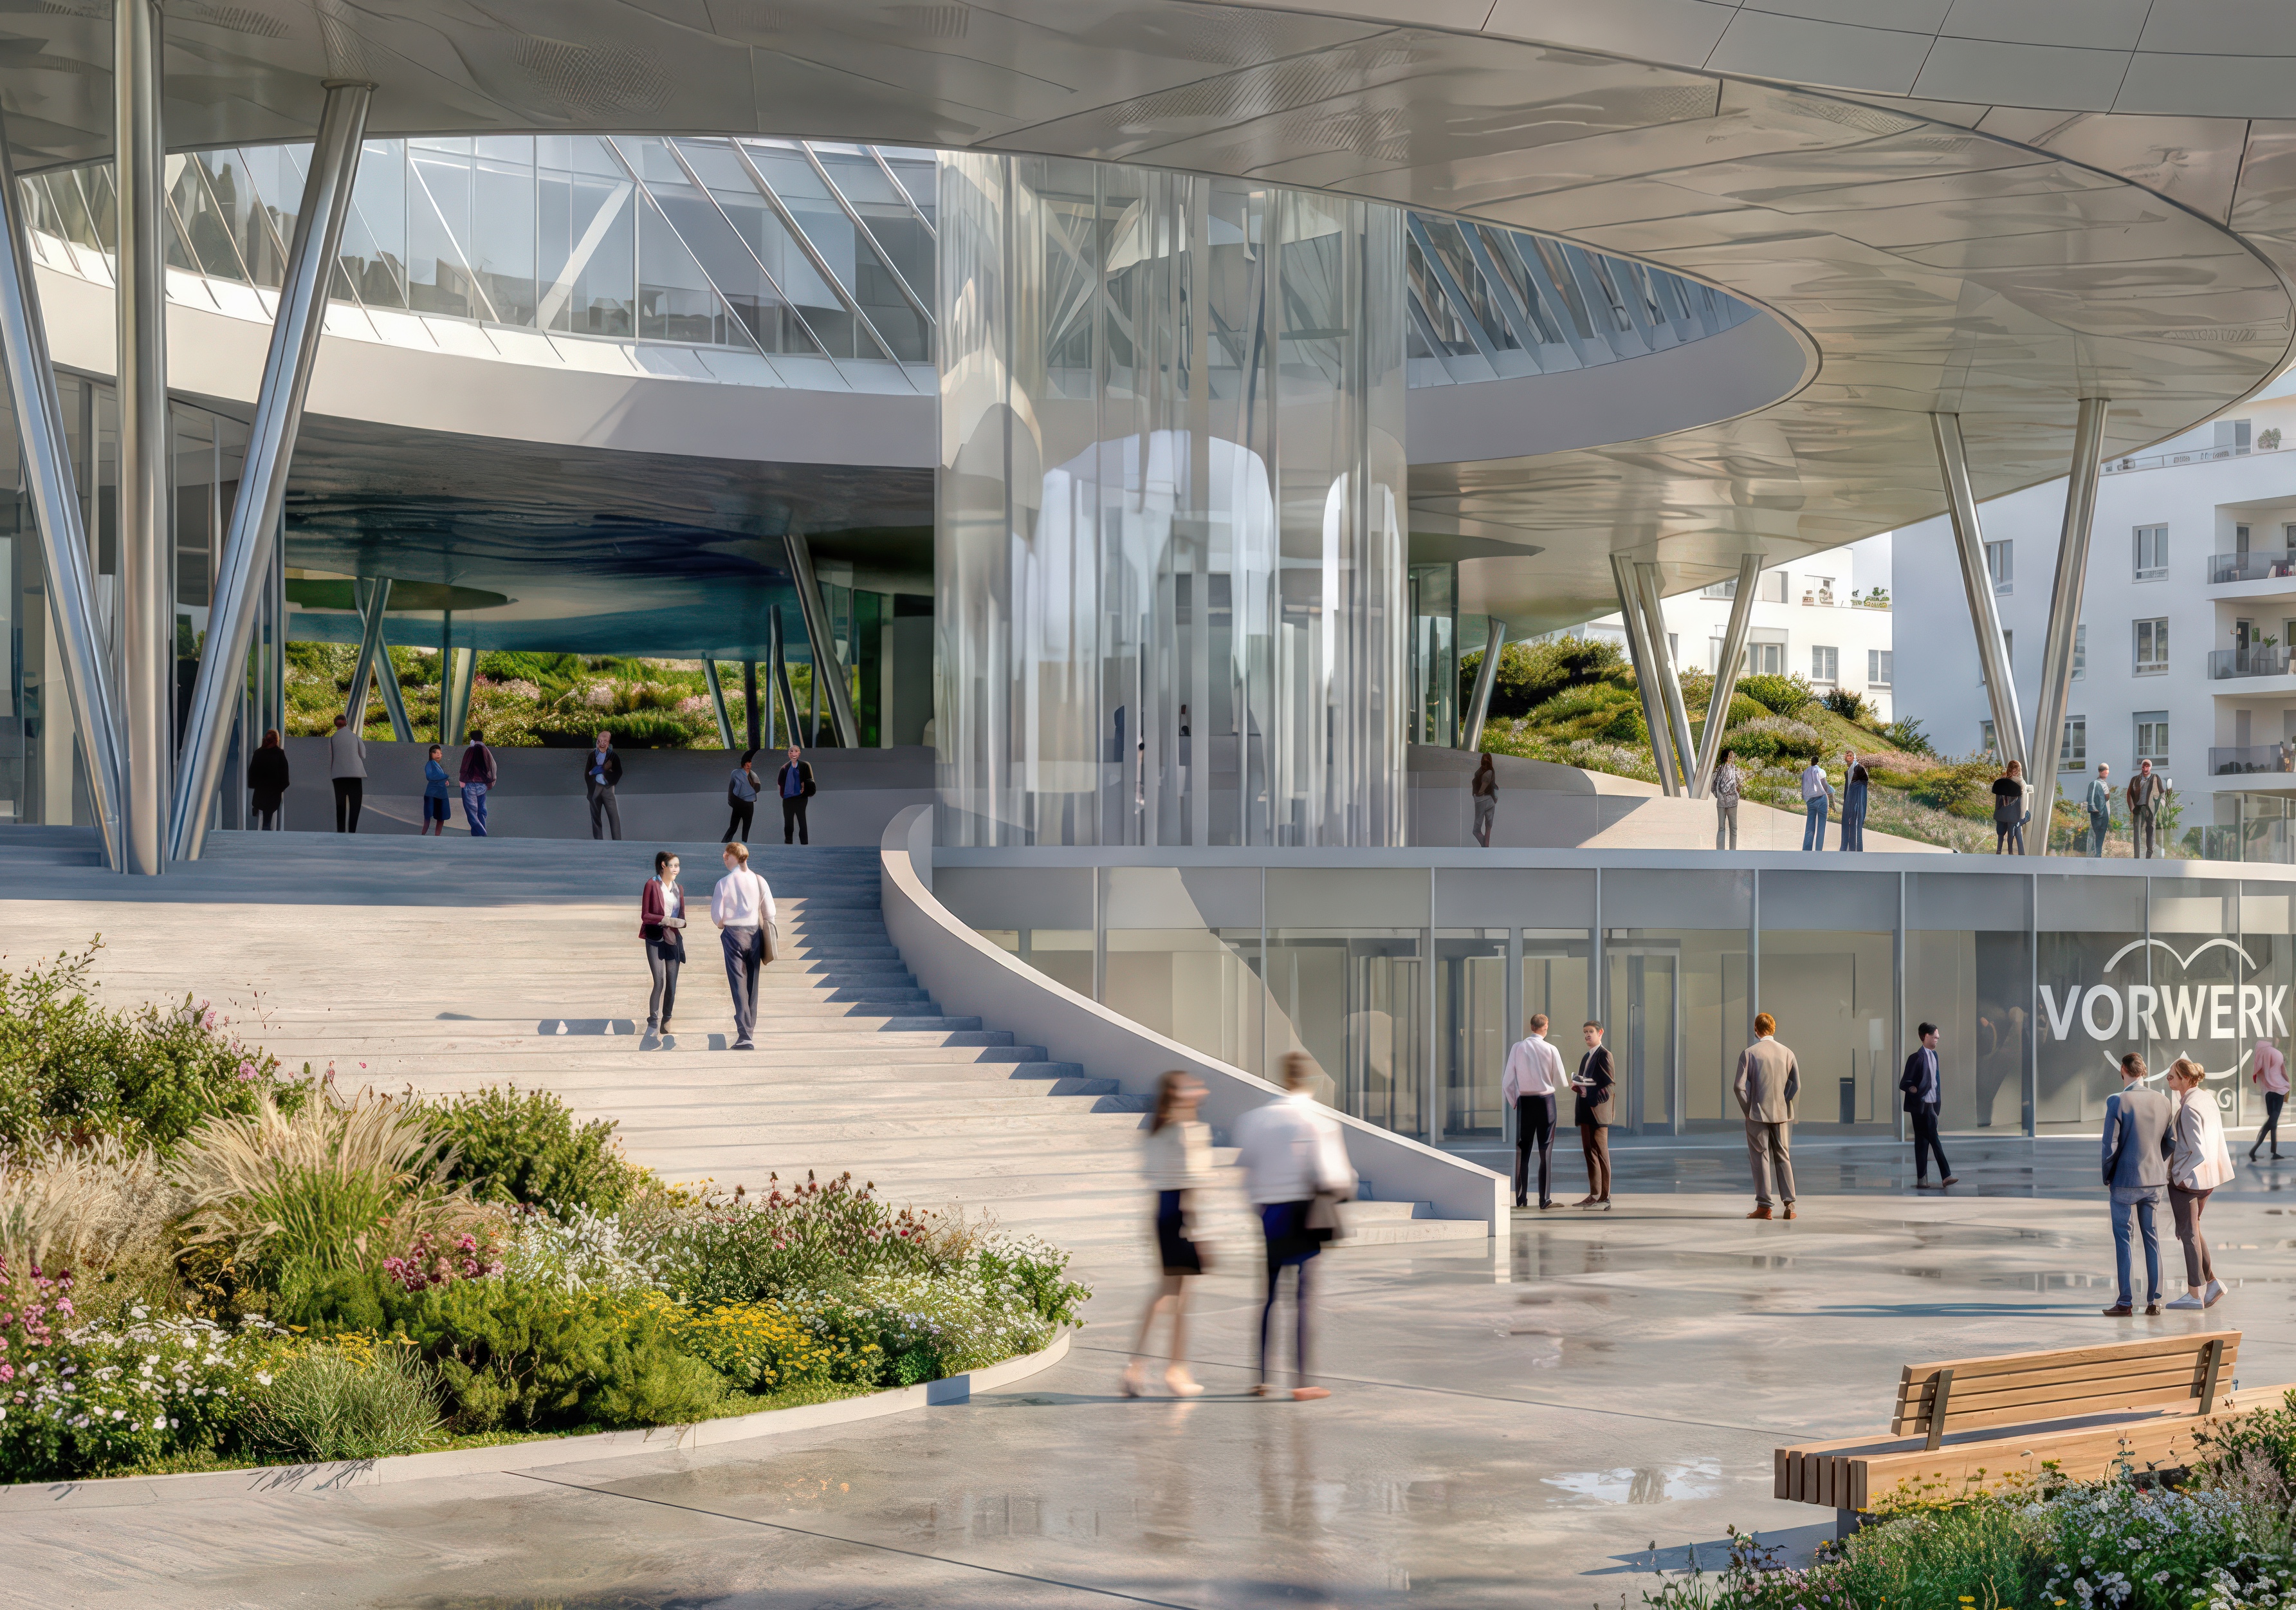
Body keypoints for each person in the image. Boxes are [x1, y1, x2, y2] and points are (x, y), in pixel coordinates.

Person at [1233, 1051, 1354, 1402]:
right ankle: (1302, 1382)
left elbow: (1246, 1172)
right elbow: (1334, 1174)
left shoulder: (1255, 1120)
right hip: (1304, 1213)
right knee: (1303, 1298)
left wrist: (1258, 1206)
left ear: (1282, 1077)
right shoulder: (1317, 1119)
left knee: (1269, 1297)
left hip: (1269, 1213)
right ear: (1309, 1079)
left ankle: (1262, 1379)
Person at [1121, 1071, 1212, 1399]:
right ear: (1182, 1094)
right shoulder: (1189, 1130)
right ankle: (1173, 1370)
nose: (1203, 1091)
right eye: (1195, 1087)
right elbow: (1195, 1179)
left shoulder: (1156, 1130)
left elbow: (1149, 1173)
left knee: (1168, 1292)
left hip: (1162, 1211)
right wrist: (1199, 1230)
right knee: (1177, 1296)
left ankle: (1141, 1367)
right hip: (1183, 1214)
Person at [2100, 1051, 2173, 1317]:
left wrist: (2108, 1175)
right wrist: (2156, 1163)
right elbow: (2172, 1141)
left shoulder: (2117, 1101)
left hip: (2124, 1180)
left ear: (2123, 1070)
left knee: (2124, 1240)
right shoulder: (2164, 1101)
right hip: (2154, 1181)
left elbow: (2110, 1145)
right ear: (2143, 1072)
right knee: (2151, 1238)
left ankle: (2125, 1302)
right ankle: (2155, 1301)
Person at [2164, 1057, 2234, 1311]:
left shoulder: (2190, 1107)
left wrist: (2177, 1174)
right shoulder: (2206, 1099)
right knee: (2192, 1229)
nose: (2168, 1079)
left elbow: (2198, 1149)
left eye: (2172, 1076)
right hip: (2208, 1178)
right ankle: (2212, 1283)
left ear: (2185, 1079)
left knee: (2189, 1233)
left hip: (2190, 1181)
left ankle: (2195, 1294)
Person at [1735, 1012, 1799, 1220]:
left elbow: (1738, 1087)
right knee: (1783, 1156)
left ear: (1756, 1030)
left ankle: (1765, 1207)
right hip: (1781, 1114)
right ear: (1773, 1029)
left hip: (1757, 1113)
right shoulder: (1788, 1053)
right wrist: (1784, 1101)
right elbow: (1795, 1085)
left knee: (1760, 1157)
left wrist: (1748, 1110)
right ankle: (1789, 1205)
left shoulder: (1749, 1053)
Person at [710, 841, 774, 1051]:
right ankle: (749, 1031)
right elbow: (770, 912)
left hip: (733, 935)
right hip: (754, 934)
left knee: (738, 983)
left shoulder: (724, 883)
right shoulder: (759, 880)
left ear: (732, 857)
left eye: (726, 856)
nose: (724, 859)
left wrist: (724, 922)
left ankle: (745, 1035)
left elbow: (717, 918)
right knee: (752, 985)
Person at [1503, 1013, 1565, 1209]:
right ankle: (1544, 1199)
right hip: (1546, 1101)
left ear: (1531, 1027)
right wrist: (1547, 1084)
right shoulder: (1551, 1049)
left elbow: (1507, 1081)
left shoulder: (1517, 1047)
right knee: (1546, 1151)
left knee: (1523, 1150)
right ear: (1546, 1027)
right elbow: (1560, 1079)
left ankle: (1521, 1198)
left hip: (1525, 1102)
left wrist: (1515, 1101)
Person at [1897, 1022, 1958, 1189]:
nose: (1938, 1038)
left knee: (1922, 1141)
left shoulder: (1935, 1055)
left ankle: (1922, 1179)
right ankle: (1946, 1176)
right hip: (1920, 1105)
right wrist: (1914, 1089)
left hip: (1932, 1104)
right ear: (1925, 1037)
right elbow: (1904, 1083)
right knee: (1934, 1139)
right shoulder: (1916, 1058)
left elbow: (1935, 1081)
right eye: (1934, 1036)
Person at [639, 850, 688, 1040]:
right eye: (673, 866)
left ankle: (667, 1018)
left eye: (678, 866)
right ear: (663, 866)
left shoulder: (679, 889)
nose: (676, 869)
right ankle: (653, 1021)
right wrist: (665, 920)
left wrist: (681, 922)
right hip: (655, 938)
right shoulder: (652, 884)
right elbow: (645, 916)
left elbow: (682, 916)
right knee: (659, 981)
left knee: (672, 983)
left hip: (673, 939)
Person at [1570, 1020, 1615, 1209]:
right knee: (1589, 1152)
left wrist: (1590, 1093)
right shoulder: (1587, 1056)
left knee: (1601, 1153)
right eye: (1585, 1032)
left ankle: (1605, 1197)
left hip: (1598, 1112)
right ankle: (1594, 1195)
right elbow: (1586, 1081)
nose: (1587, 1035)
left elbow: (1609, 1084)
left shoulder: (1604, 1055)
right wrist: (1579, 1086)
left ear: (1600, 1033)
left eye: (1590, 1032)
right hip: (1585, 1111)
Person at [327, 712, 365, 833]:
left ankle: (341, 832)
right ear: (346, 723)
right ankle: (352, 831)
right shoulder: (355, 737)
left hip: (338, 775)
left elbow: (331, 756)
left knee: (340, 805)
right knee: (355, 805)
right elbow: (363, 755)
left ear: (336, 724)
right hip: (355, 774)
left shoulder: (333, 738)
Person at [2252, 1037, 2288, 1161]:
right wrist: (2287, 1085)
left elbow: (2260, 1072)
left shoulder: (2260, 1055)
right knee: (2272, 1122)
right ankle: (2258, 1150)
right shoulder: (2276, 1054)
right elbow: (2284, 1072)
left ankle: (2272, 1151)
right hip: (2278, 1091)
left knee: (2273, 1123)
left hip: (2268, 1093)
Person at [246, 728, 289, 829]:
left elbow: (252, 772)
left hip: (261, 791)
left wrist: (254, 784)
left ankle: (256, 809)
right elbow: (284, 773)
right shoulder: (279, 754)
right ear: (276, 741)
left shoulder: (258, 753)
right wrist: (281, 787)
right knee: (268, 820)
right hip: (273, 793)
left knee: (263, 816)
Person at [585, 729, 623, 841]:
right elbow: (588, 773)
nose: (602, 743)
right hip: (594, 789)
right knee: (595, 816)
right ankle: (598, 841)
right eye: (599, 741)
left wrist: (608, 781)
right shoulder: (592, 756)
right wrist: (591, 789)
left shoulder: (613, 756)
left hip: (607, 789)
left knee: (614, 816)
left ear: (609, 742)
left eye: (605, 741)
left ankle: (618, 841)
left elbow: (618, 772)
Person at [459, 728, 497, 837]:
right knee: (481, 810)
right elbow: (490, 767)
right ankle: (478, 835)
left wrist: (462, 779)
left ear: (472, 738)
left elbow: (465, 766)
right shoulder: (485, 750)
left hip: (470, 783)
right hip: (482, 784)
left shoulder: (471, 750)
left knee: (471, 812)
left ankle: (481, 834)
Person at [2127, 759, 2166, 860]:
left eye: (2147, 766)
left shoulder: (2155, 778)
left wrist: (2160, 807)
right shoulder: (2135, 779)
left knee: (2150, 832)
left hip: (2151, 809)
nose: (2145, 768)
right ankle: (2137, 858)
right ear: (2141, 767)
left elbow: (2162, 793)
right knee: (2137, 833)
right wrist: (2132, 808)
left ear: (2150, 767)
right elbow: (2129, 794)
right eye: (2144, 766)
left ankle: (2148, 857)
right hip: (2138, 809)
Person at [778, 745, 817, 845]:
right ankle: (788, 842)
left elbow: (809, 780)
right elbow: (780, 783)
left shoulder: (805, 766)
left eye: (796, 751)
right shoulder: (784, 768)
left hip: (801, 798)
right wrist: (784, 794)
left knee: (802, 820)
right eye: (791, 751)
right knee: (788, 822)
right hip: (788, 799)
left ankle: (804, 843)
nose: (793, 753)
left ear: (799, 753)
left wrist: (805, 788)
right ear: (789, 754)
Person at [725, 748, 760, 844]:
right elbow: (731, 787)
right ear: (743, 763)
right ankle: (725, 842)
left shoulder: (753, 775)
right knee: (733, 826)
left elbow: (758, 787)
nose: (749, 765)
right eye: (747, 763)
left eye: (750, 763)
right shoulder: (736, 773)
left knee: (747, 826)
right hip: (738, 802)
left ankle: (745, 843)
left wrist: (750, 792)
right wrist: (731, 800)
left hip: (749, 803)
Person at [1992, 759, 2026, 854]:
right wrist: (2022, 818)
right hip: (2013, 816)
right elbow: (2023, 803)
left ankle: (1999, 850)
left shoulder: (2001, 782)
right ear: (2019, 770)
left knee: (2000, 833)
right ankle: (2011, 851)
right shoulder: (2021, 783)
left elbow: (1997, 802)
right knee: (2012, 832)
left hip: (2000, 815)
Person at [1799, 757, 1832, 852]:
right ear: (1818, 762)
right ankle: (1818, 850)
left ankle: (1806, 849)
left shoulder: (1805, 772)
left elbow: (1804, 786)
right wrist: (1830, 795)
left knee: (1810, 825)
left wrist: (1806, 798)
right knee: (1821, 825)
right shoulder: (1820, 771)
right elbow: (1825, 785)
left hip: (1810, 800)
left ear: (1811, 762)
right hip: (1821, 798)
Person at [1839, 751, 1869, 851]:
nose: (1848, 756)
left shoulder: (1859, 769)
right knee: (1848, 823)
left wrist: (1855, 804)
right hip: (1850, 800)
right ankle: (1848, 848)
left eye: (1850, 755)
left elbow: (1861, 788)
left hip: (1856, 801)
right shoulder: (1849, 771)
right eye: (1847, 755)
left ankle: (1855, 850)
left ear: (1854, 758)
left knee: (1855, 823)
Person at [419, 744, 452, 837]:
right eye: (435, 753)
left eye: (440, 753)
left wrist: (445, 781)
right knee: (428, 816)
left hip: (441, 794)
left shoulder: (438, 766)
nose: (438, 754)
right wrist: (445, 776)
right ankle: (423, 834)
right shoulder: (429, 764)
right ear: (431, 754)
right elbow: (430, 776)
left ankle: (437, 836)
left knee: (441, 818)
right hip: (432, 794)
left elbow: (438, 778)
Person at [1713, 746, 1742, 851]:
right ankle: (1724, 852)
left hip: (1729, 802)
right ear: (1725, 757)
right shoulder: (1723, 769)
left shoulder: (1730, 769)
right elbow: (1714, 784)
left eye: (1732, 756)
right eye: (1730, 756)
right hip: (1726, 801)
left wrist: (1719, 795)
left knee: (1730, 828)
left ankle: (1729, 852)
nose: (1732, 758)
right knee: (1727, 828)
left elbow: (1740, 783)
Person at [1470, 753, 1497, 847]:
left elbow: (1483, 788)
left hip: (1482, 800)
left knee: (1477, 830)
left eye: (1486, 763)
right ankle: (1486, 848)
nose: (1485, 764)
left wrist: (1477, 795)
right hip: (1490, 801)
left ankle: (1485, 847)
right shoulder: (1489, 771)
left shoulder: (1487, 772)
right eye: (1483, 762)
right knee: (1488, 827)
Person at [2086, 763, 2113, 857]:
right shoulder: (2095, 784)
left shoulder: (2104, 784)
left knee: (2099, 837)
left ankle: (2098, 855)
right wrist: (2094, 808)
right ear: (2102, 771)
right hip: (2098, 814)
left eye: (2107, 770)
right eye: (2105, 770)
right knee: (2096, 836)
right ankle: (2096, 856)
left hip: (2103, 814)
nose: (2107, 772)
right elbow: (2092, 798)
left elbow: (2106, 800)